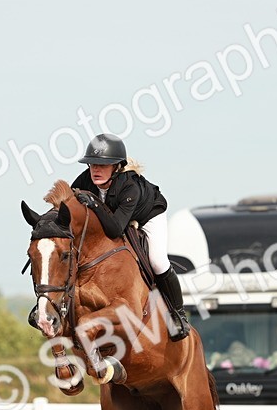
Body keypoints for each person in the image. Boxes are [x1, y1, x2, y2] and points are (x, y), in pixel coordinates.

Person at [70, 133, 190, 341]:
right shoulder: (84, 181)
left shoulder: (129, 186)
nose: (96, 170)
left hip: (148, 215)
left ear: (116, 167)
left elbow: (116, 229)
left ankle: (178, 315)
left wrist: (94, 204)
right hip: (116, 218)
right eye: (92, 164)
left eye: (102, 165)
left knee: (157, 261)